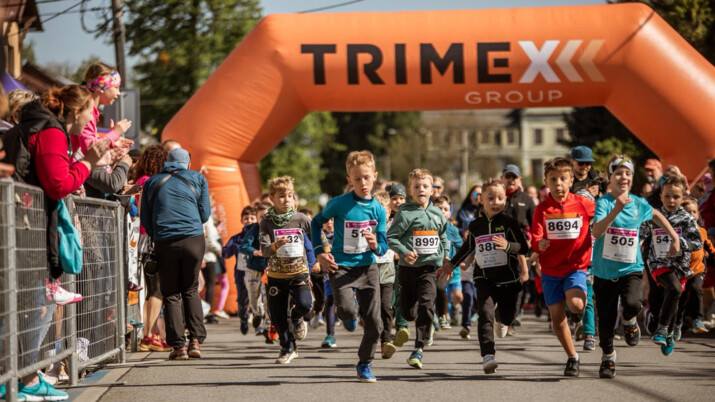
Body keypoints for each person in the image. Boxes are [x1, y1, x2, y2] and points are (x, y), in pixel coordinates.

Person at [1, 85, 118, 400]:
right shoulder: (51, 131)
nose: (92, 119)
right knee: (33, 307)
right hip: (31, 226)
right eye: (90, 112)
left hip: (25, 223)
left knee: (29, 306)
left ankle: (26, 377)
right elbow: (57, 184)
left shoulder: (33, 126)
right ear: (75, 112)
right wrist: (88, 163)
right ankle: (18, 378)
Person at [591, 155, 679, 378]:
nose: (624, 177)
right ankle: (608, 357)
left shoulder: (638, 203)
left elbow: (656, 214)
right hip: (604, 271)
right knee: (606, 320)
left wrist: (674, 237)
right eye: (618, 173)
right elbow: (597, 232)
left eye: (628, 173)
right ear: (610, 177)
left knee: (633, 303)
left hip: (630, 268)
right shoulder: (604, 203)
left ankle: (629, 319)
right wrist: (616, 209)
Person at [310, 150, 388, 383]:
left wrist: (376, 245)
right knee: (347, 311)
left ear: (375, 176)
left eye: (367, 177)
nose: (363, 183)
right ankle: (349, 314)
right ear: (349, 180)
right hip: (341, 266)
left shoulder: (378, 209)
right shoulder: (339, 204)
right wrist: (320, 252)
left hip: (368, 267)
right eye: (357, 179)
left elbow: (383, 245)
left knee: (375, 324)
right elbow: (315, 224)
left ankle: (364, 364)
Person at [437, 178, 528, 374]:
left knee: (507, 315)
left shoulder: (510, 223)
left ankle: (502, 320)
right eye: (491, 198)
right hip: (484, 278)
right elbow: (467, 247)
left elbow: (524, 247)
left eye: (500, 198)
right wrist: (451, 265)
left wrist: (508, 246)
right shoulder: (476, 225)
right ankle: (488, 355)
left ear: (505, 200)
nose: (496, 202)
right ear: (481, 200)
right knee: (485, 314)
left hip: (509, 279)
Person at [140, 148, 210, 360]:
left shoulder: (152, 182)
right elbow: (205, 214)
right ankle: (196, 341)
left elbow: (145, 219)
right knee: (191, 288)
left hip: (165, 240)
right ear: (188, 163)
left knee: (170, 292)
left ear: (167, 162)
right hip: (194, 239)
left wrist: (158, 234)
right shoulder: (198, 178)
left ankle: (178, 347)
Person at [531, 157, 594, 377]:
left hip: (576, 266)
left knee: (576, 304)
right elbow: (535, 237)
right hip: (550, 270)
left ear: (571, 181)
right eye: (553, 179)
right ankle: (572, 357)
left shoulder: (583, 203)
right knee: (557, 321)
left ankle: (578, 314)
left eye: (563, 179)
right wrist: (539, 244)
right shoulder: (542, 209)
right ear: (546, 182)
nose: (558, 184)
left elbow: (602, 217)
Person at [387, 168, 448, 369]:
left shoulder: (437, 212)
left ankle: (418, 349)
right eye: (416, 186)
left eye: (425, 186)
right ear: (410, 191)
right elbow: (391, 237)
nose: (421, 189)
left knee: (427, 305)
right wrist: (405, 252)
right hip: (408, 269)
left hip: (429, 268)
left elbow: (443, 236)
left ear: (432, 190)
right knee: (408, 313)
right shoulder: (405, 212)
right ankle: (410, 317)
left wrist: (446, 255)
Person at [641, 175, 702, 355]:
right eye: (667, 196)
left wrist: (680, 243)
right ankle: (662, 328)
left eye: (676, 197)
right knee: (674, 289)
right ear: (661, 196)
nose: (671, 200)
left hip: (680, 266)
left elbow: (697, 243)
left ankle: (668, 333)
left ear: (683, 198)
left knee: (675, 295)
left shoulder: (687, 219)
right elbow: (640, 234)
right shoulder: (653, 216)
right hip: (658, 263)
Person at [259, 176, 314, 364]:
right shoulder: (266, 221)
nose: (287, 200)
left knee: (305, 305)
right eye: (281, 196)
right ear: (272, 199)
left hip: (299, 272)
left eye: (290, 195)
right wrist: (275, 245)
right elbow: (265, 249)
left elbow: (317, 236)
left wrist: (323, 254)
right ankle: (287, 347)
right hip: (276, 275)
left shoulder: (301, 218)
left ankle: (297, 317)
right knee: (278, 315)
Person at [133, 145, 172, 353]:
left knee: (151, 289)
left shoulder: (141, 180)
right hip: (151, 237)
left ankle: (149, 334)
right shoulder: (151, 181)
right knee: (157, 289)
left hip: (142, 238)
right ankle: (149, 335)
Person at [677, 197, 714, 335]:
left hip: (698, 269)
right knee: (680, 296)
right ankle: (677, 322)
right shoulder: (676, 230)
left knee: (695, 288)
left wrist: (711, 255)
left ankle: (698, 319)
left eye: (694, 211)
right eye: (687, 212)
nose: (691, 215)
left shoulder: (702, 231)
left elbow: (709, 247)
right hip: (681, 270)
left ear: (698, 214)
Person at [77, 62, 132, 154]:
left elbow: (91, 144)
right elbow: (90, 149)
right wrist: (115, 133)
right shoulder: (85, 112)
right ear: (101, 86)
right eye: (116, 87)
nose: (119, 93)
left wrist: (112, 141)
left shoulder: (91, 112)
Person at [239, 202, 270, 337]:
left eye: (267, 216)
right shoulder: (254, 230)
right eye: (261, 216)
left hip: (268, 270)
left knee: (268, 298)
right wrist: (254, 251)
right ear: (257, 218)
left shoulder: (274, 228)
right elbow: (244, 246)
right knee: (253, 298)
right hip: (253, 269)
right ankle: (257, 313)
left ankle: (268, 325)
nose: (264, 219)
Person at [372, 191, 397, 359]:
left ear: (389, 211)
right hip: (370, 271)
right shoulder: (368, 227)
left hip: (388, 272)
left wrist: (398, 250)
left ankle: (386, 341)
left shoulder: (394, 226)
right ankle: (372, 338)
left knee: (386, 306)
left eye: (385, 210)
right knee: (372, 309)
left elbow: (401, 240)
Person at [385, 182, 409, 348]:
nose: (398, 202)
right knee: (389, 297)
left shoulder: (408, 216)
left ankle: (402, 327)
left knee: (402, 294)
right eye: (394, 198)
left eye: (401, 198)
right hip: (386, 263)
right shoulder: (384, 217)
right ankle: (386, 329)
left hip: (404, 262)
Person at [434, 195, 464, 329]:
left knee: (443, 290)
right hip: (429, 266)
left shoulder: (452, 230)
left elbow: (462, 247)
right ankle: (435, 319)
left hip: (448, 268)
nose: (442, 211)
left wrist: (461, 261)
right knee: (432, 293)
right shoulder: (424, 225)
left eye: (445, 209)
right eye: (438, 208)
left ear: (450, 213)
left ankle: (443, 315)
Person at [319, 218, 338, 348]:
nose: (329, 224)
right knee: (329, 301)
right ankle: (330, 335)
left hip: (348, 272)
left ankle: (353, 316)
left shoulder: (343, 233)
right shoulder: (320, 236)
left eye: (332, 221)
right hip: (329, 274)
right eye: (326, 221)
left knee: (348, 310)